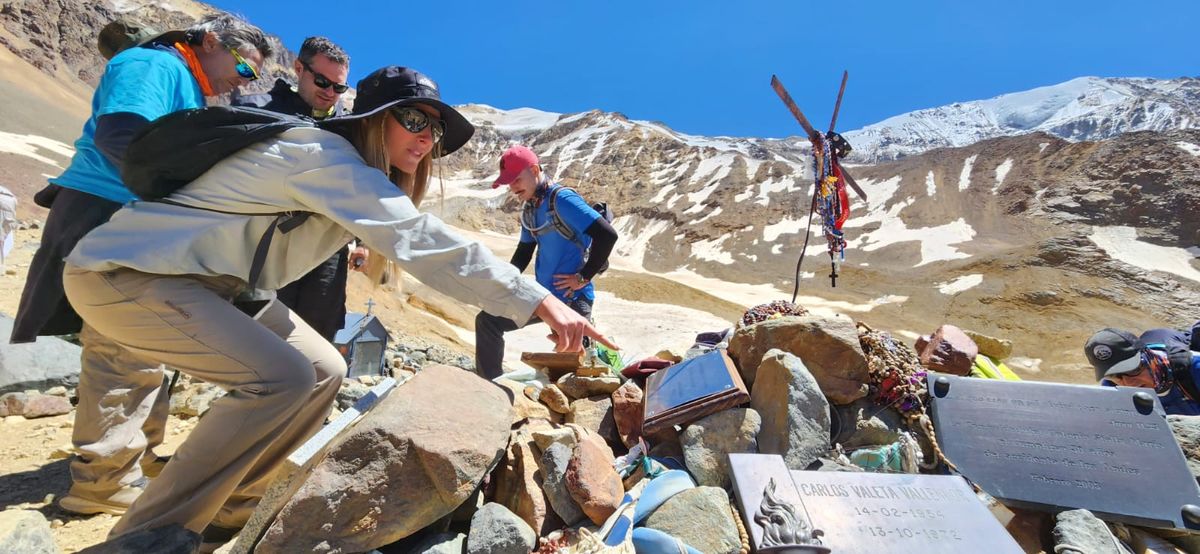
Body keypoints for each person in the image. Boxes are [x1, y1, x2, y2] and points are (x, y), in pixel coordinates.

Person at [63, 66, 615, 544]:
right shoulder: (322, 155)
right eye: (414, 120)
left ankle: (233, 509)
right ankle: (147, 538)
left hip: (215, 285)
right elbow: (420, 239)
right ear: (374, 118)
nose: (427, 138)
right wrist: (539, 300)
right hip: (130, 272)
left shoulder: (352, 171)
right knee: (281, 378)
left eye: (436, 129)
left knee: (324, 369)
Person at [9, 14, 272, 516]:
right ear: (210, 41)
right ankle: (103, 481)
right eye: (244, 67)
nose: (244, 81)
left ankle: (139, 458)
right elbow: (122, 135)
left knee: (147, 341)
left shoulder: (184, 80)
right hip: (111, 209)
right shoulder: (155, 65)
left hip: (131, 215)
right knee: (122, 345)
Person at [233, 36, 362, 340]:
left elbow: (357, 187)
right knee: (257, 328)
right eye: (322, 82)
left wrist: (362, 242)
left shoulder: (351, 129)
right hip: (267, 241)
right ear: (299, 68)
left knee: (319, 330)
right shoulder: (256, 110)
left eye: (339, 88)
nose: (330, 93)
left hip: (326, 249)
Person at [475, 145, 619, 379]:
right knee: (488, 321)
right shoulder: (531, 208)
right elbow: (524, 251)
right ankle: (489, 384)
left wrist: (583, 277)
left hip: (572, 300)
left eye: (516, 180)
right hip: (542, 298)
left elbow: (607, 235)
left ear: (534, 170)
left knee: (576, 370)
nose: (513, 188)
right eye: (509, 182)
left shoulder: (563, 199)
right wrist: (505, 281)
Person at [1086, 325, 1200, 415]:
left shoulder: (1195, 370)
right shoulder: (1112, 387)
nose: (1129, 383)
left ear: (1147, 356)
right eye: (1114, 375)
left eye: (1132, 370)